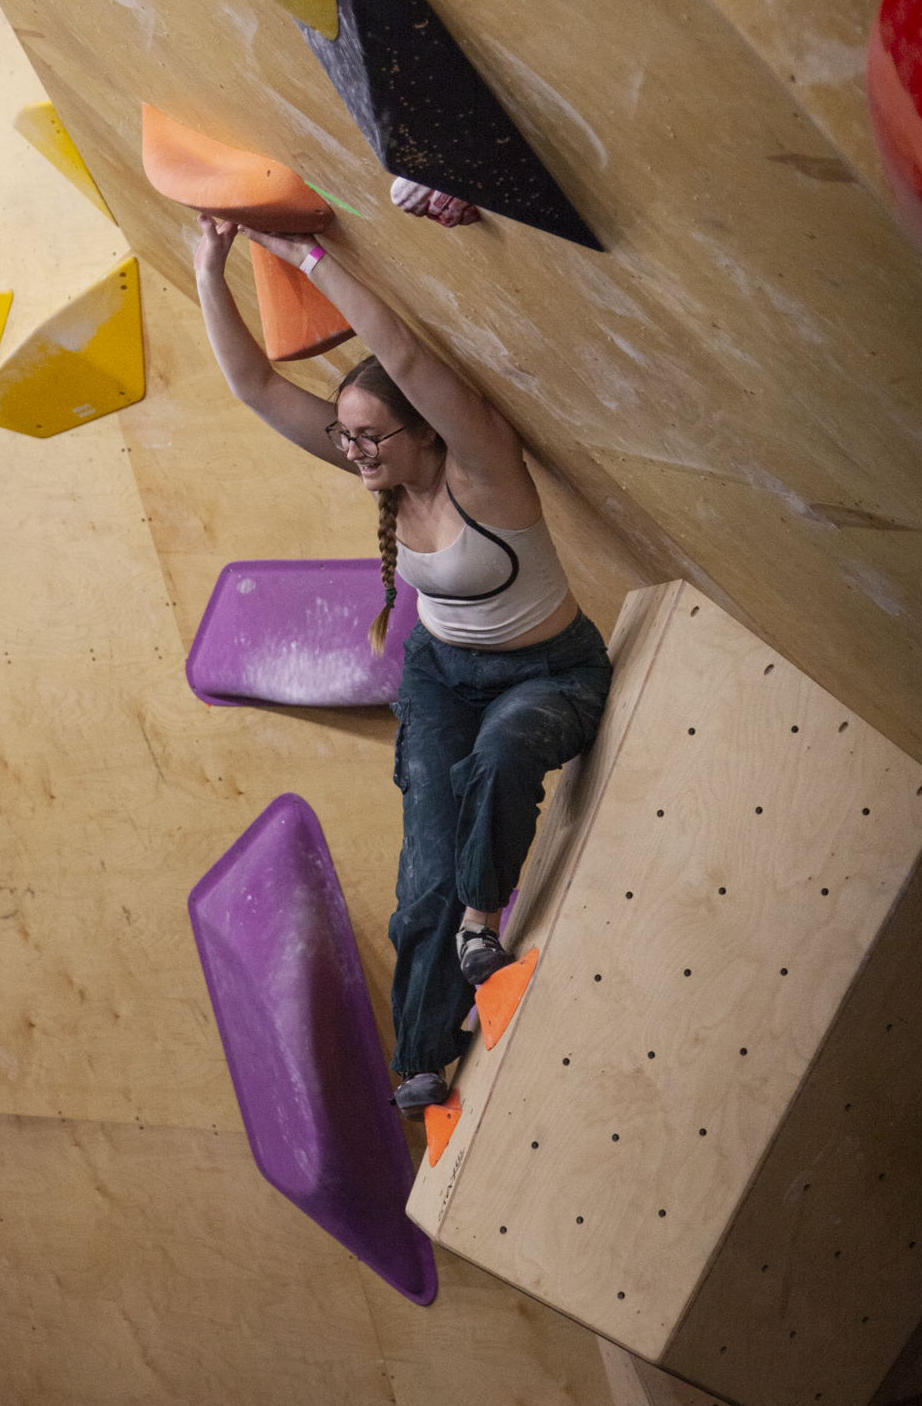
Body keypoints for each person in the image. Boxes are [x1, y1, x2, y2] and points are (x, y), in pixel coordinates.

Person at [193, 214, 612, 1115]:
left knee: (501, 762)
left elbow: (412, 362)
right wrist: (210, 260)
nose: (353, 454)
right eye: (345, 439)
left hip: (550, 675)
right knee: (419, 870)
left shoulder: (484, 471)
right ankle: (420, 1064)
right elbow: (256, 385)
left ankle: (479, 923)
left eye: (370, 438)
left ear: (427, 435)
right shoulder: (378, 468)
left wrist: (310, 255)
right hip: (440, 678)